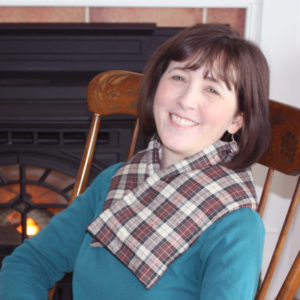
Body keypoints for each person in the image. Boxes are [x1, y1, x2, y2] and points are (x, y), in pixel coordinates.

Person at [0, 23, 270, 300]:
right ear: (155, 87)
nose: (187, 100)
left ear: (238, 120)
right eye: (179, 77)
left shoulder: (235, 226)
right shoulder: (116, 181)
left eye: (212, 90)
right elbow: (28, 263)